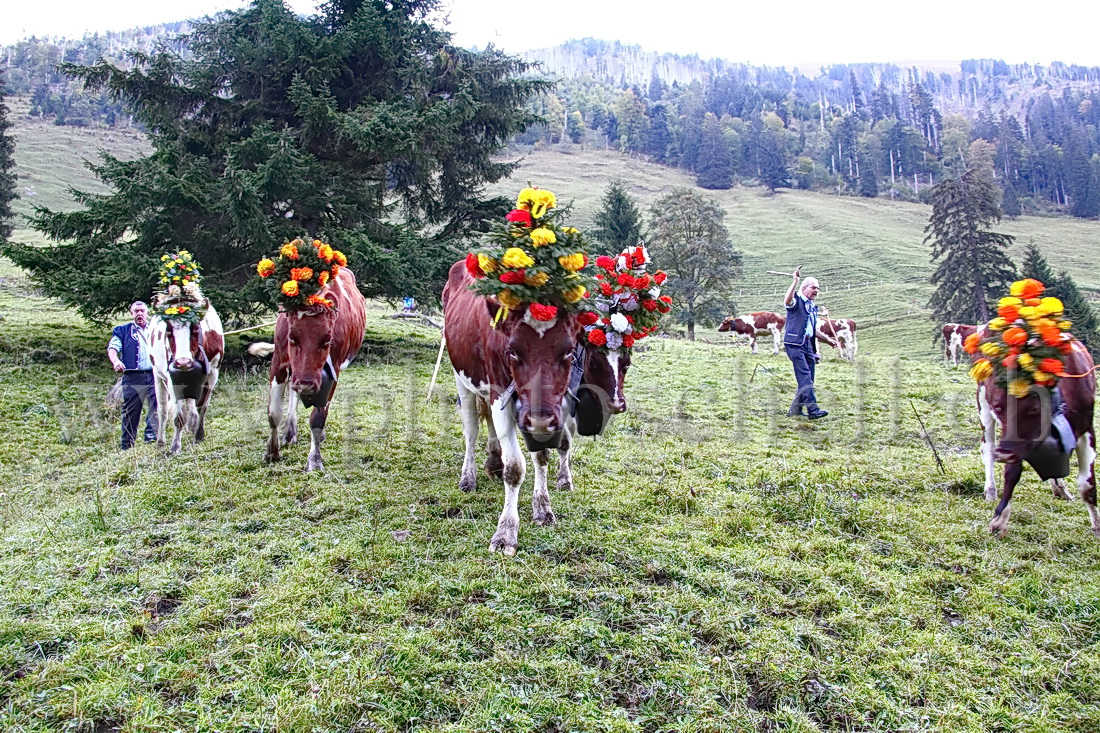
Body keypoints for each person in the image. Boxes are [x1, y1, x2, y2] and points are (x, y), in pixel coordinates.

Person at [782, 267, 837, 419]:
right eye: (813, 287)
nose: (816, 291)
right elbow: (787, 300)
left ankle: (795, 410)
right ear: (804, 288)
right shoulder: (797, 301)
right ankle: (813, 410)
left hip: (807, 345)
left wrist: (828, 340)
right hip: (794, 343)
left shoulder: (812, 307)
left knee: (808, 378)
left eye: (818, 288)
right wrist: (795, 281)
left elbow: (812, 330)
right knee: (805, 376)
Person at [107, 301, 158, 449]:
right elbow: (113, 347)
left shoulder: (156, 330)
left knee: (157, 406)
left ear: (147, 312)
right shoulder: (122, 331)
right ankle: (127, 445)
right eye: (136, 311)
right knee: (131, 412)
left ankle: (151, 439)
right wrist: (116, 361)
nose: (139, 314)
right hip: (133, 377)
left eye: (142, 311)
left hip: (154, 375)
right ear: (131, 314)